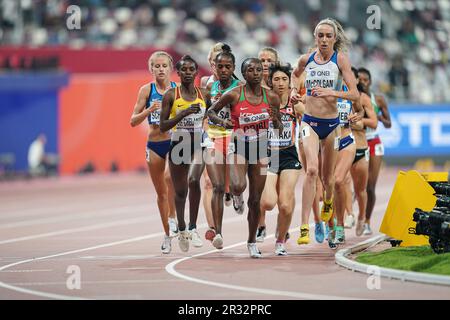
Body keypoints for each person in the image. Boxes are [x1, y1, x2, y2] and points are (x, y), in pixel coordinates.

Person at [291, 18, 358, 246]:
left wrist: (332, 92)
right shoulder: (306, 59)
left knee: (328, 178)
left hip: (331, 126)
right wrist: (293, 91)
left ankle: (328, 203)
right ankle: (303, 227)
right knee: (311, 170)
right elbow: (295, 74)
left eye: (328, 36)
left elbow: (354, 94)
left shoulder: (340, 60)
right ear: (315, 37)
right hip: (309, 121)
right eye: (320, 35)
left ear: (335, 38)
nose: (324, 40)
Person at [208, 58, 281, 258]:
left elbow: (279, 126)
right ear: (243, 73)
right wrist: (223, 122)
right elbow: (210, 111)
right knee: (239, 185)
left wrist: (275, 120)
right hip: (239, 146)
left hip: (261, 149)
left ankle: (251, 242)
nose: (256, 73)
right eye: (251, 70)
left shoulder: (272, 97)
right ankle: (237, 195)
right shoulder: (233, 94)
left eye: (259, 70)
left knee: (256, 200)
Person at [160, 55, 211, 252]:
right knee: (180, 191)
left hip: (198, 142)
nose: (188, 73)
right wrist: (183, 113)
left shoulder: (204, 94)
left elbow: (211, 114)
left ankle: (193, 227)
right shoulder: (171, 95)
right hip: (178, 142)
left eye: (191, 70)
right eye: (184, 70)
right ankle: (181, 228)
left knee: (193, 180)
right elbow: (163, 126)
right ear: (178, 73)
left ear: (196, 72)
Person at [129, 51, 178, 254]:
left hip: (175, 142)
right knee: (161, 194)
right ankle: (167, 235)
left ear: (170, 68)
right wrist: (149, 111)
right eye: (156, 66)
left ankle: (174, 218)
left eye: (164, 66)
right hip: (154, 144)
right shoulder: (146, 90)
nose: (160, 69)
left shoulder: (179, 90)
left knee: (170, 179)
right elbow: (133, 121)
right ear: (151, 69)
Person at [260, 62, 302, 255]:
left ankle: (280, 241)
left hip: (289, 154)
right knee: (268, 203)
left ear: (289, 82)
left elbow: (313, 124)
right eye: (276, 79)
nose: (280, 83)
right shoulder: (264, 102)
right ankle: (261, 223)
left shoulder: (295, 104)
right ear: (271, 82)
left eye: (284, 79)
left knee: (285, 204)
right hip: (269, 155)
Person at [204, 45, 244, 248]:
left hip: (234, 137)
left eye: (227, 66)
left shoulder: (240, 87)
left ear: (232, 67)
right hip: (213, 137)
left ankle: (237, 194)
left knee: (236, 184)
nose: (222, 70)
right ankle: (217, 232)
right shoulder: (207, 84)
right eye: (218, 66)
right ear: (213, 66)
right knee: (215, 185)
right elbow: (205, 110)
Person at [357, 67, 392, 235]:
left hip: (374, 141)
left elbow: (389, 124)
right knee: (359, 186)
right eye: (360, 79)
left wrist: (376, 117)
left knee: (370, 187)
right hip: (358, 141)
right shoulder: (353, 97)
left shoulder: (378, 99)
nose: (362, 82)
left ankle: (367, 221)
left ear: (369, 81)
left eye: (365, 79)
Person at [331, 81, 364, 245]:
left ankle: (340, 226)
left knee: (338, 180)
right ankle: (331, 223)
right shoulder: (323, 87)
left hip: (346, 140)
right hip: (328, 143)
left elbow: (360, 110)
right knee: (328, 185)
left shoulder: (351, 90)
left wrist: (356, 116)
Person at [349, 68, 378, 236]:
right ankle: (345, 217)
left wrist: (359, 121)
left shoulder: (365, 98)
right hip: (342, 144)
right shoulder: (336, 94)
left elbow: (374, 123)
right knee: (340, 182)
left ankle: (364, 218)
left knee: (365, 188)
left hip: (364, 143)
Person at [256, 47, 281, 241]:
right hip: (260, 143)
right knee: (261, 189)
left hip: (283, 144)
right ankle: (261, 223)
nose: (265, 64)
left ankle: (283, 226)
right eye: (262, 60)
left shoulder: (282, 84)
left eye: (269, 60)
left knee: (282, 190)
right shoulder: (252, 86)